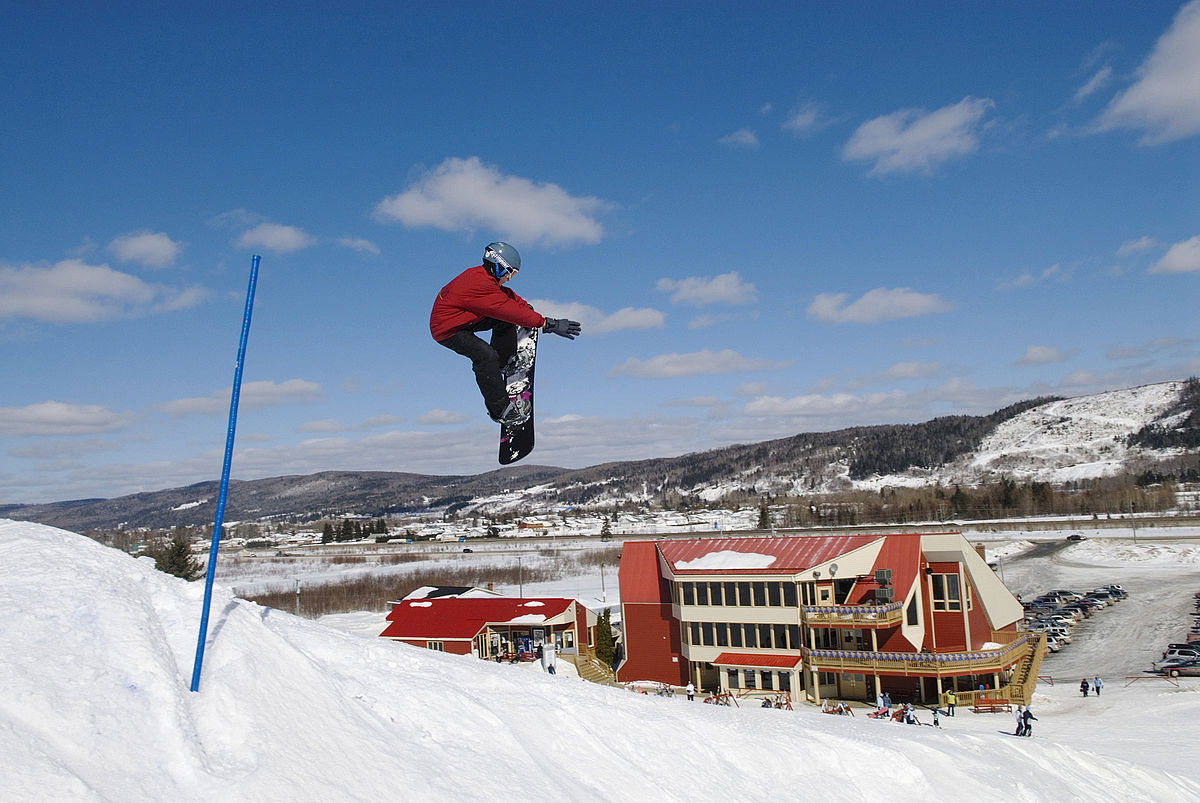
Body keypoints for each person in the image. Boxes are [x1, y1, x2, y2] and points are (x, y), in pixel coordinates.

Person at [430, 242, 581, 425]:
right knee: (485, 356)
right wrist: (547, 323)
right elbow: (506, 308)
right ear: (500, 267)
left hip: (464, 318)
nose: (510, 278)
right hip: (447, 329)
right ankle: (501, 411)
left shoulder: (483, 276)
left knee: (508, 321)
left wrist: (527, 308)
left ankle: (503, 362)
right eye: (511, 273)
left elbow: (506, 296)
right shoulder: (478, 285)